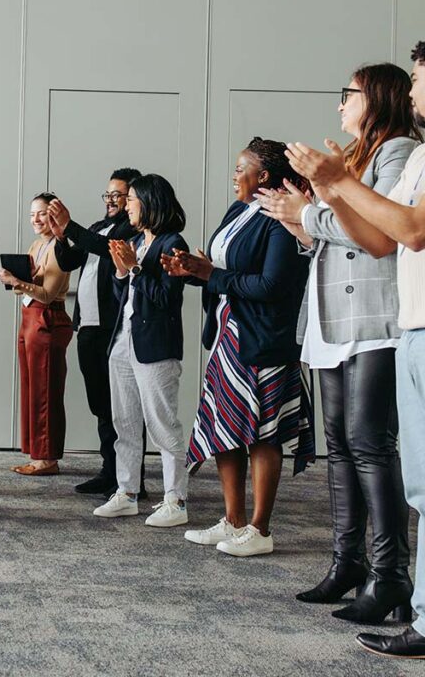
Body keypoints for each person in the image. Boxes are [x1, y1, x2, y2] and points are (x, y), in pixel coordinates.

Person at [260, 63, 419, 616]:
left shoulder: (397, 151)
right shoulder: (350, 159)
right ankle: (346, 561)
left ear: (376, 97)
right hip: (331, 317)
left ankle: (389, 573)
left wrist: (310, 212)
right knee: (341, 446)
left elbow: (374, 237)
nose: (340, 104)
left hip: (372, 316)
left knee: (371, 444)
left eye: (347, 94)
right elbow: (332, 235)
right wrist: (297, 221)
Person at [163, 138, 313, 558]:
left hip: (264, 338)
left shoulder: (281, 216)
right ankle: (232, 520)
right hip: (229, 334)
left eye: (240, 168)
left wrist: (212, 274)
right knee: (225, 427)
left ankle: (260, 529)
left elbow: (273, 286)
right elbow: (223, 272)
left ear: (263, 176)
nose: (234, 175)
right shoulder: (239, 211)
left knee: (262, 434)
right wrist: (191, 270)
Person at [92, 174, 190, 527]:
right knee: (125, 422)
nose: (127, 205)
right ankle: (127, 492)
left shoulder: (172, 243)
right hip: (124, 340)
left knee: (163, 423)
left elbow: (166, 299)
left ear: (150, 202)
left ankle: (175, 501)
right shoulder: (134, 240)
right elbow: (128, 297)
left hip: (156, 345)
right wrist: (122, 274)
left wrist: (134, 267)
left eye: (131, 199)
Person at [48, 169, 146, 498]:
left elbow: (107, 249)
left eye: (119, 195)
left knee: (122, 405)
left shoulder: (130, 228)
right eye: (109, 195)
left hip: (112, 328)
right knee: (101, 404)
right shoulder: (97, 226)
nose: (112, 200)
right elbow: (68, 261)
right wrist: (61, 236)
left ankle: (133, 480)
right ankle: (110, 471)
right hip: (88, 325)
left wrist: (70, 226)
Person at [0, 192, 72, 475]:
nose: (36, 219)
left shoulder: (58, 248)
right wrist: (15, 281)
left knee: (45, 391)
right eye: (32, 214)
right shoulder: (36, 244)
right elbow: (25, 288)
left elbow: (47, 292)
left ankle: (47, 459)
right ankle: (36, 453)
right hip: (30, 316)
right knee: (31, 386)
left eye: (41, 213)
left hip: (48, 316)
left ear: (55, 214)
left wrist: (17, 281)